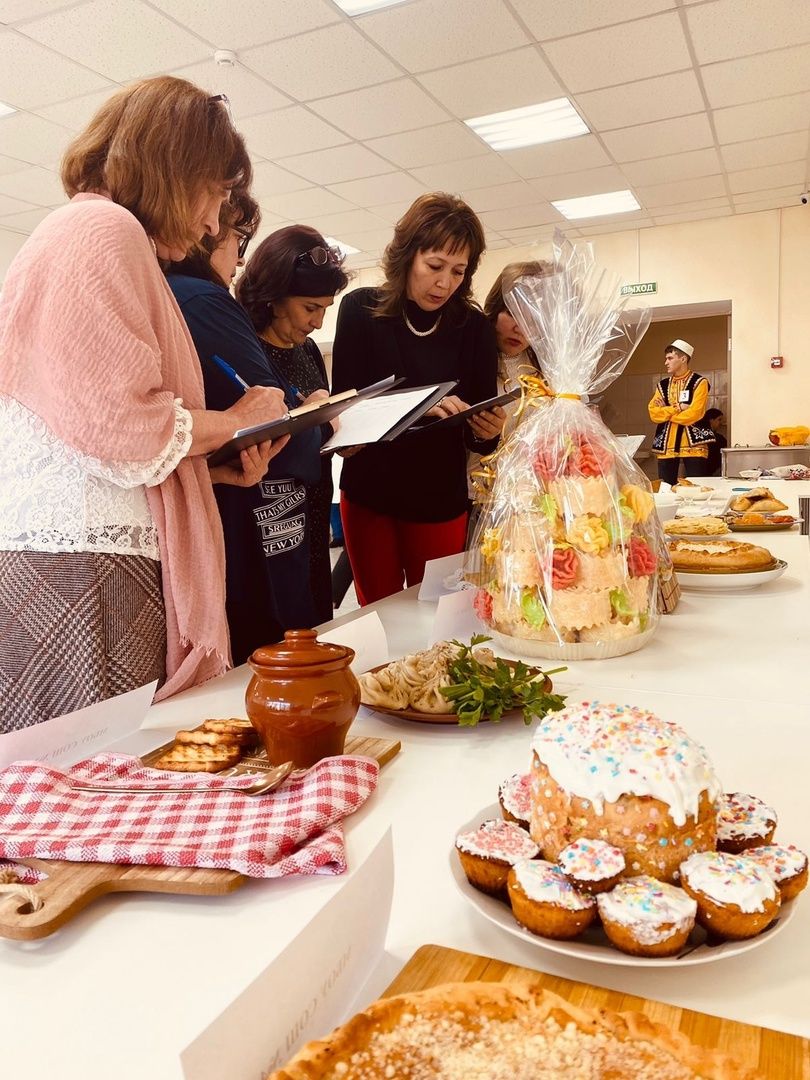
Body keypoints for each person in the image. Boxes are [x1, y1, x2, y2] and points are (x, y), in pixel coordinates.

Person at [0, 77, 289, 731]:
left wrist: (210, 466)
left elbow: (83, 432)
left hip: (80, 557)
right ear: (176, 167)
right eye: (215, 193)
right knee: (99, 782)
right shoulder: (102, 229)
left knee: (91, 782)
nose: (214, 222)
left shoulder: (88, 230)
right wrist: (235, 423)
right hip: (81, 566)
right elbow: (116, 422)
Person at [167, 200, 331, 663]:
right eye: (236, 238)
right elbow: (274, 429)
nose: (239, 257)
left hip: (272, 509)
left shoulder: (176, 293)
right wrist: (321, 423)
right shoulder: (204, 299)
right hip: (250, 520)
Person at [330, 192, 505, 606]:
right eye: (435, 266)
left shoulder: (474, 328)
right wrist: (420, 405)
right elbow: (346, 412)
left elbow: (476, 437)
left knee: (438, 617)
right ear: (408, 255)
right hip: (370, 494)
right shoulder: (360, 310)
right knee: (380, 611)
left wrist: (489, 432)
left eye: (459, 271)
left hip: (438, 498)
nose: (445, 283)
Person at [236, 225, 351, 625]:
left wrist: (343, 433)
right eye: (309, 308)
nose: (318, 323)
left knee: (315, 617)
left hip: (315, 507)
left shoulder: (308, 352)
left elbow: (322, 421)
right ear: (274, 298)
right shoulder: (247, 348)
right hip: (272, 513)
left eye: (325, 309)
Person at [648, 338, 712, 486]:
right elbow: (654, 413)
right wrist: (677, 407)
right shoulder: (662, 385)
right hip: (666, 445)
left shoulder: (700, 382)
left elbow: (694, 414)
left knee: (696, 486)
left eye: (670, 358)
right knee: (665, 487)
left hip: (694, 445)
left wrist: (666, 411)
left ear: (683, 359)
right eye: (666, 359)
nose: (666, 362)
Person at [704, 408, 728, 476]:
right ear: (711, 420)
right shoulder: (718, 438)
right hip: (712, 472)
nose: (721, 423)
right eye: (719, 419)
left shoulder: (702, 436)